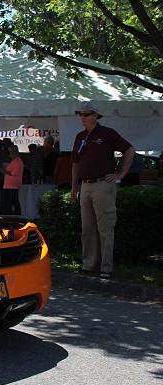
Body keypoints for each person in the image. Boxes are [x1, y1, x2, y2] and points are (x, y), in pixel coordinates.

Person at [71, 101, 134, 279]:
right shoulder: (80, 136)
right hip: (85, 185)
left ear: (95, 116)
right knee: (87, 228)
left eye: (86, 114)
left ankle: (106, 268)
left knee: (105, 227)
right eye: (80, 114)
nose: (82, 117)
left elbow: (129, 150)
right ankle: (89, 265)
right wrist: (74, 186)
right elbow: (75, 162)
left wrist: (120, 174)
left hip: (103, 185)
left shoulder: (107, 133)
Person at [1, 145, 23, 215]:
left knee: (10, 202)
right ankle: (12, 216)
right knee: (12, 202)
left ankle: (11, 216)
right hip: (9, 185)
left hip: (12, 185)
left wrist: (5, 171)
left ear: (16, 152)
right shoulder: (14, 161)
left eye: (11, 152)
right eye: (9, 152)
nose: (10, 153)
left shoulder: (17, 161)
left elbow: (15, 173)